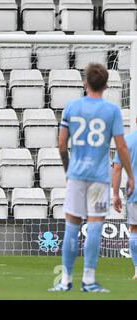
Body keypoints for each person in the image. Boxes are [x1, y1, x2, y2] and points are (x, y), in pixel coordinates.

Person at [49, 63, 134, 293]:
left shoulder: (71, 107)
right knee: (95, 226)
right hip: (99, 177)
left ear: (85, 83)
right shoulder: (112, 110)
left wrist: (68, 170)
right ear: (106, 85)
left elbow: (61, 144)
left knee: (71, 226)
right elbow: (121, 146)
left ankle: (65, 280)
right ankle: (88, 280)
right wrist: (130, 175)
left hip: (76, 175)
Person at [112, 132, 137, 280]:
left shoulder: (126, 140)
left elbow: (117, 168)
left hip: (134, 192)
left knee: (134, 230)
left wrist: (115, 194)